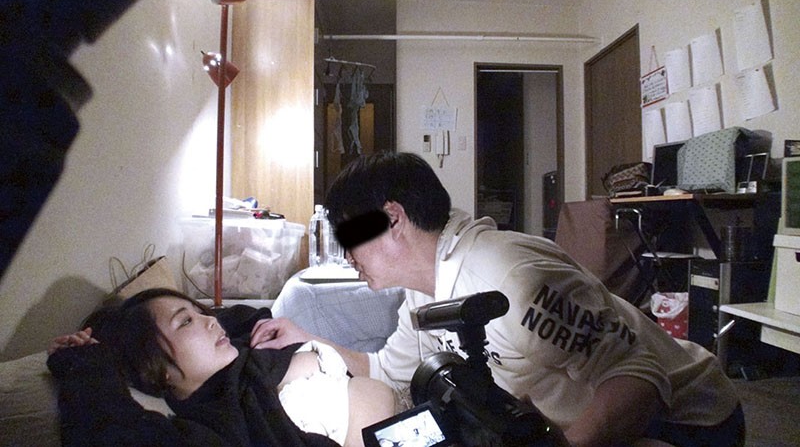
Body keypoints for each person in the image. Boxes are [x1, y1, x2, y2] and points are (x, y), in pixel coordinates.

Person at [253, 152, 746, 447]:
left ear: (393, 219)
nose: (347, 254)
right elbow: (385, 371)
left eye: (350, 237)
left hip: (692, 419)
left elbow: (638, 378)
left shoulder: (508, 277)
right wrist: (306, 335)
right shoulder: (421, 292)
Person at [47, 287, 395, 447]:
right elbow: (111, 429)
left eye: (201, 312)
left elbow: (228, 318)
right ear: (157, 369)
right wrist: (86, 363)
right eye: (186, 322)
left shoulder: (243, 348)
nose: (211, 321)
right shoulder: (213, 425)